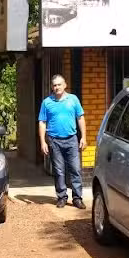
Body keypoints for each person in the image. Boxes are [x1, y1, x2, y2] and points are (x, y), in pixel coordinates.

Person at [38, 74, 87, 209]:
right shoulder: (47, 102)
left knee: (75, 169)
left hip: (71, 140)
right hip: (54, 141)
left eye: (59, 84)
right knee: (59, 171)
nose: (57, 87)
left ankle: (77, 198)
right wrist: (43, 142)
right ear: (52, 87)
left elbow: (80, 118)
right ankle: (61, 197)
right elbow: (42, 122)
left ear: (65, 85)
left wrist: (83, 137)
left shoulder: (73, 99)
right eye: (54, 85)